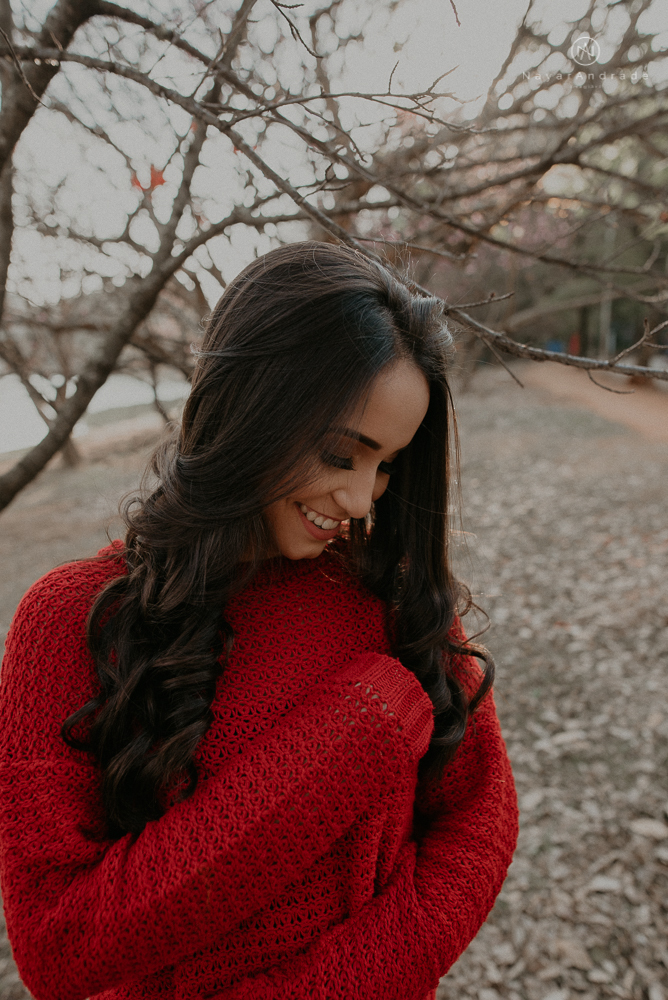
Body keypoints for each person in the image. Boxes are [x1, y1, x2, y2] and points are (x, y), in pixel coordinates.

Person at [0, 241, 518, 1000]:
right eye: (344, 455)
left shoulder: (396, 602)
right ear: (253, 408)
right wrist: (351, 739)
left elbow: (480, 826)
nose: (361, 500)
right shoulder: (73, 618)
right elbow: (56, 944)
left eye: (388, 465)